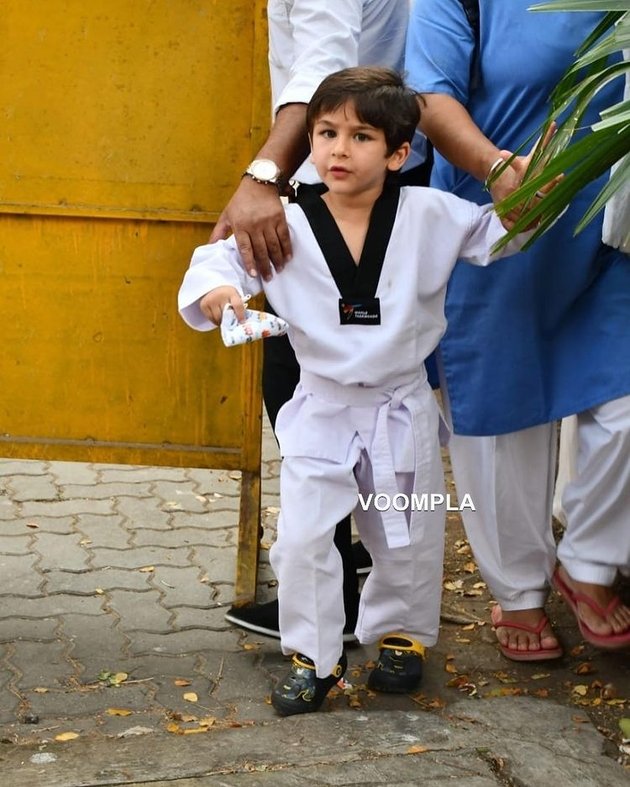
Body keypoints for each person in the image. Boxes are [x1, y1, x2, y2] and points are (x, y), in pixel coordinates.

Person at [179, 67, 551, 715]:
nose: (338, 149)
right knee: (301, 536)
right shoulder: (283, 220)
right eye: (325, 133)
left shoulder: (430, 213)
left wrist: (536, 186)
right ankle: (311, 656)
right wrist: (222, 297)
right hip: (321, 406)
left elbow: (502, 233)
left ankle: (401, 637)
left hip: (398, 405)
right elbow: (217, 262)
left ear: (398, 152)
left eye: (360, 136)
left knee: (404, 526)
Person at [405, 0, 630, 658]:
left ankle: (590, 560)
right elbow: (429, 94)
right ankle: (519, 588)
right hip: (500, 216)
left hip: (610, 222)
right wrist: (494, 167)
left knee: (625, 405)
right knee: (503, 415)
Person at [215, 0, 431, 640]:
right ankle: (360, 568)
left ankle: (329, 599)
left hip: (333, 182)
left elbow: (322, 63)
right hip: (375, 169)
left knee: (302, 380)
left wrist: (266, 174)